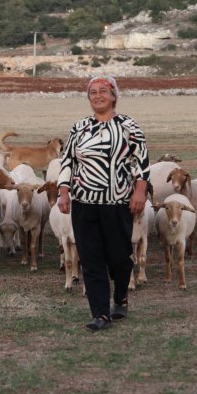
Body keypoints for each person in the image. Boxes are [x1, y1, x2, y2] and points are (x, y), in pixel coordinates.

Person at [57, 76, 149, 331]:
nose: (98, 96)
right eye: (93, 92)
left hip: (117, 202)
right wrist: (63, 192)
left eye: (103, 91)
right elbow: (68, 161)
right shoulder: (79, 128)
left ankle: (120, 296)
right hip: (84, 202)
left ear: (113, 96)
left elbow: (141, 162)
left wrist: (140, 192)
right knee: (90, 258)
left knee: (119, 258)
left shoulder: (129, 126)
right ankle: (100, 313)